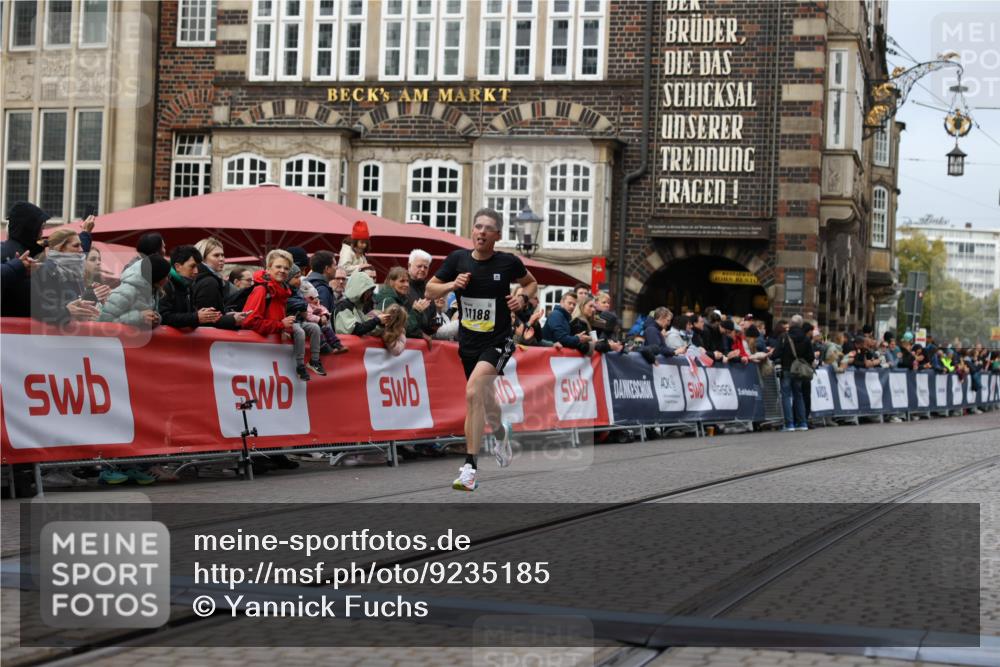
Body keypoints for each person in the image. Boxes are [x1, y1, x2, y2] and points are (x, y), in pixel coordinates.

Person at [425, 207, 537, 491]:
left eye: (488, 228)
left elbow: (531, 283)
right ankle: (501, 433)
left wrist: (522, 298)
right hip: (469, 343)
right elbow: (430, 290)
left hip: (499, 341)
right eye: (478, 227)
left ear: (497, 235)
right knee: (485, 402)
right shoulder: (457, 260)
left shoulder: (507, 263)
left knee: (473, 392)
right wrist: (453, 283)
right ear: (472, 232)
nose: (482, 232)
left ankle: (469, 468)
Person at [243, 249, 326, 382]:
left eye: (286, 268)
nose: (282, 270)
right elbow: (249, 322)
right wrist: (280, 325)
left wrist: (284, 328)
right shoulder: (261, 290)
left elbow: (279, 320)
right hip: (258, 358)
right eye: (278, 266)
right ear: (268, 268)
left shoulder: (283, 292)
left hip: (273, 360)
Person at [30, 226, 105, 324]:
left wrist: (90, 297)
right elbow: (43, 309)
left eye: (81, 245)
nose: (82, 249)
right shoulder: (45, 271)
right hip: (53, 336)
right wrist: (68, 312)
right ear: (60, 248)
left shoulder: (73, 270)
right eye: (76, 246)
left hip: (71, 334)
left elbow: (73, 302)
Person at [1, 201, 50, 317]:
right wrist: (66, 312)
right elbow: (32, 303)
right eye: (40, 229)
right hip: (12, 332)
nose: (42, 235)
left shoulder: (22, 253)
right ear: (29, 229)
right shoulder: (15, 255)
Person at [158, 246, 221, 329]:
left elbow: (188, 316)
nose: (196, 271)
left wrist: (203, 316)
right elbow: (164, 317)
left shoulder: (187, 285)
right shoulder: (166, 284)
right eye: (192, 266)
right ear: (178, 267)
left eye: (197, 267)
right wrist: (196, 317)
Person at [99, 255, 170, 328]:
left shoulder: (153, 292)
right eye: (166, 276)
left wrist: (155, 318)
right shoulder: (125, 292)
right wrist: (139, 317)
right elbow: (105, 322)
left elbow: (145, 321)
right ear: (157, 277)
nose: (168, 279)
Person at [192, 237, 245, 330]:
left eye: (222, 255)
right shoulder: (209, 282)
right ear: (203, 258)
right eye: (216, 255)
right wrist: (232, 319)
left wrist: (226, 314)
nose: (221, 259)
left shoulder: (206, 279)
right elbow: (208, 320)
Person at [773, 314, 812, 431]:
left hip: (786, 369)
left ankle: (789, 424)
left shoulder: (784, 336)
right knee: (798, 395)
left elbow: (776, 354)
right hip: (799, 371)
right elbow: (810, 357)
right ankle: (802, 423)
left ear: (790, 324)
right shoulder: (806, 338)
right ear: (801, 325)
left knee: (786, 395)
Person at [335, 270, 391, 337]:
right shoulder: (344, 306)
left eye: (370, 291)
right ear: (358, 289)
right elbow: (355, 330)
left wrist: (381, 323)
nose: (368, 294)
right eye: (367, 291)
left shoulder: (357, 308)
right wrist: (377, 320)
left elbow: (368, 329)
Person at [374, 267, 416, 354]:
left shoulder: (401, 300)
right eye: (402, 281)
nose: (406, 284)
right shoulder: (389, 300)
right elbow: (406, 327)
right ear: (391, 282)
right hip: (385, 353)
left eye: (407, 281)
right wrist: (416, 311)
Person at [406, 249, 438, 343]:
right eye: (419, 266)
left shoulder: (429, 289)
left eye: (426, 267)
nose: (422, 269)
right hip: (406, 343)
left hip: (423, 345)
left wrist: (434, 326)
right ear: (409, 266)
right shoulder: (401, 286)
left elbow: (431, 319)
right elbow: (400, 322)